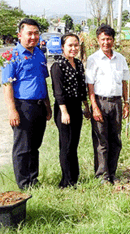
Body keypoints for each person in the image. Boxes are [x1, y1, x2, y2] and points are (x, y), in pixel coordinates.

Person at [2, 18, 52, 190]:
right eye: (29, 33)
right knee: (22, 147)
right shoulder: (12, 56)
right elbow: (7, 84)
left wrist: (47, 105)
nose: (33, 37)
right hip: (22, 106)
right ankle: (24, 184)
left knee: (35, 146)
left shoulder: (39, 54)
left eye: (36, 33)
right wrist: (12, 110)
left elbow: (43, 81)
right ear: (20, 35)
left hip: (38, 105)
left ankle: (33, 179)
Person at [86, 24, 130, 185]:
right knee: (101, 140)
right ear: (98, 40)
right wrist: (94, 107)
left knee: (115, 140)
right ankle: (101, 176)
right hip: (100, 102)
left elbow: (125, 82)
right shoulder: (93, 59)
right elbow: (90, 85)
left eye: (109, 39)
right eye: (103, 39)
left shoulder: (120, 59)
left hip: (117, 102)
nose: (106, 42)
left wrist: (126, 103)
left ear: (113, 40)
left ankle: (112, 173)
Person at [50, 33, 91, 188]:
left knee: (74, 144)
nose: (73, 48)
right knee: (66, 145)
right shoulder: (57, 66)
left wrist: (86, 106)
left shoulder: (79, 64)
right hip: (64, 108)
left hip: (76, 107)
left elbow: (82, 88)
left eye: (76, 45)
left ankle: (74, 177)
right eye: (70, 45)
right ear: (62, 47)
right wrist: (64, 112)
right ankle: (66, 181)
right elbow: (58, 91)